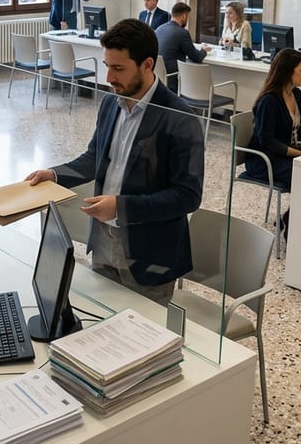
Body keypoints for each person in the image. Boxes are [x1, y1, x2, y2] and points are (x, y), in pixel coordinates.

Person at [25, 19, 204, 304]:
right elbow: (95, 157)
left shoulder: (179, 117)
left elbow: (187, 197)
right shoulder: (111, 103)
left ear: (147, 65)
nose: (109, 77)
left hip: (150, 254)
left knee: (142, 340)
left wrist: (120, 207)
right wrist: (54, 174)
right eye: (107, 65)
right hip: (103, 242)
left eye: (118, 68)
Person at [243, 48, 301, 239]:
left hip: (287, 155)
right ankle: (292, 227)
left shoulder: (296, 95)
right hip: (265, 161)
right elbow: (269, 143)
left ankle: (290, 218)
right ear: (288, 71)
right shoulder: (269, 101)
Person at [155, 2, 211, 75]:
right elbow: (197, 58)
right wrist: (204, 49)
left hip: (158, 77)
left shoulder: (159, 29)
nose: (187, 20)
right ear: (184, 16)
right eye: (188, 17)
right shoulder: (182, 33)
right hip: (174, 77)